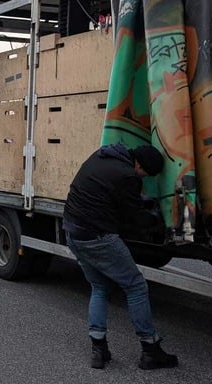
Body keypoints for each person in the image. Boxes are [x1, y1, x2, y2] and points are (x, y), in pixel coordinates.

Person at [62, 143, 177, 370]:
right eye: (145, 175)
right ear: (140, 165)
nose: (144, 180)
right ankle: (150, 349)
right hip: (98, 236)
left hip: (73, 231)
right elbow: (132, 217)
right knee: (136, 286)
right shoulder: (128, 176)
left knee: (100, 286)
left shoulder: (102, 155)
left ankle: (98, 349)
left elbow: (109, 193)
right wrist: (158, 221)